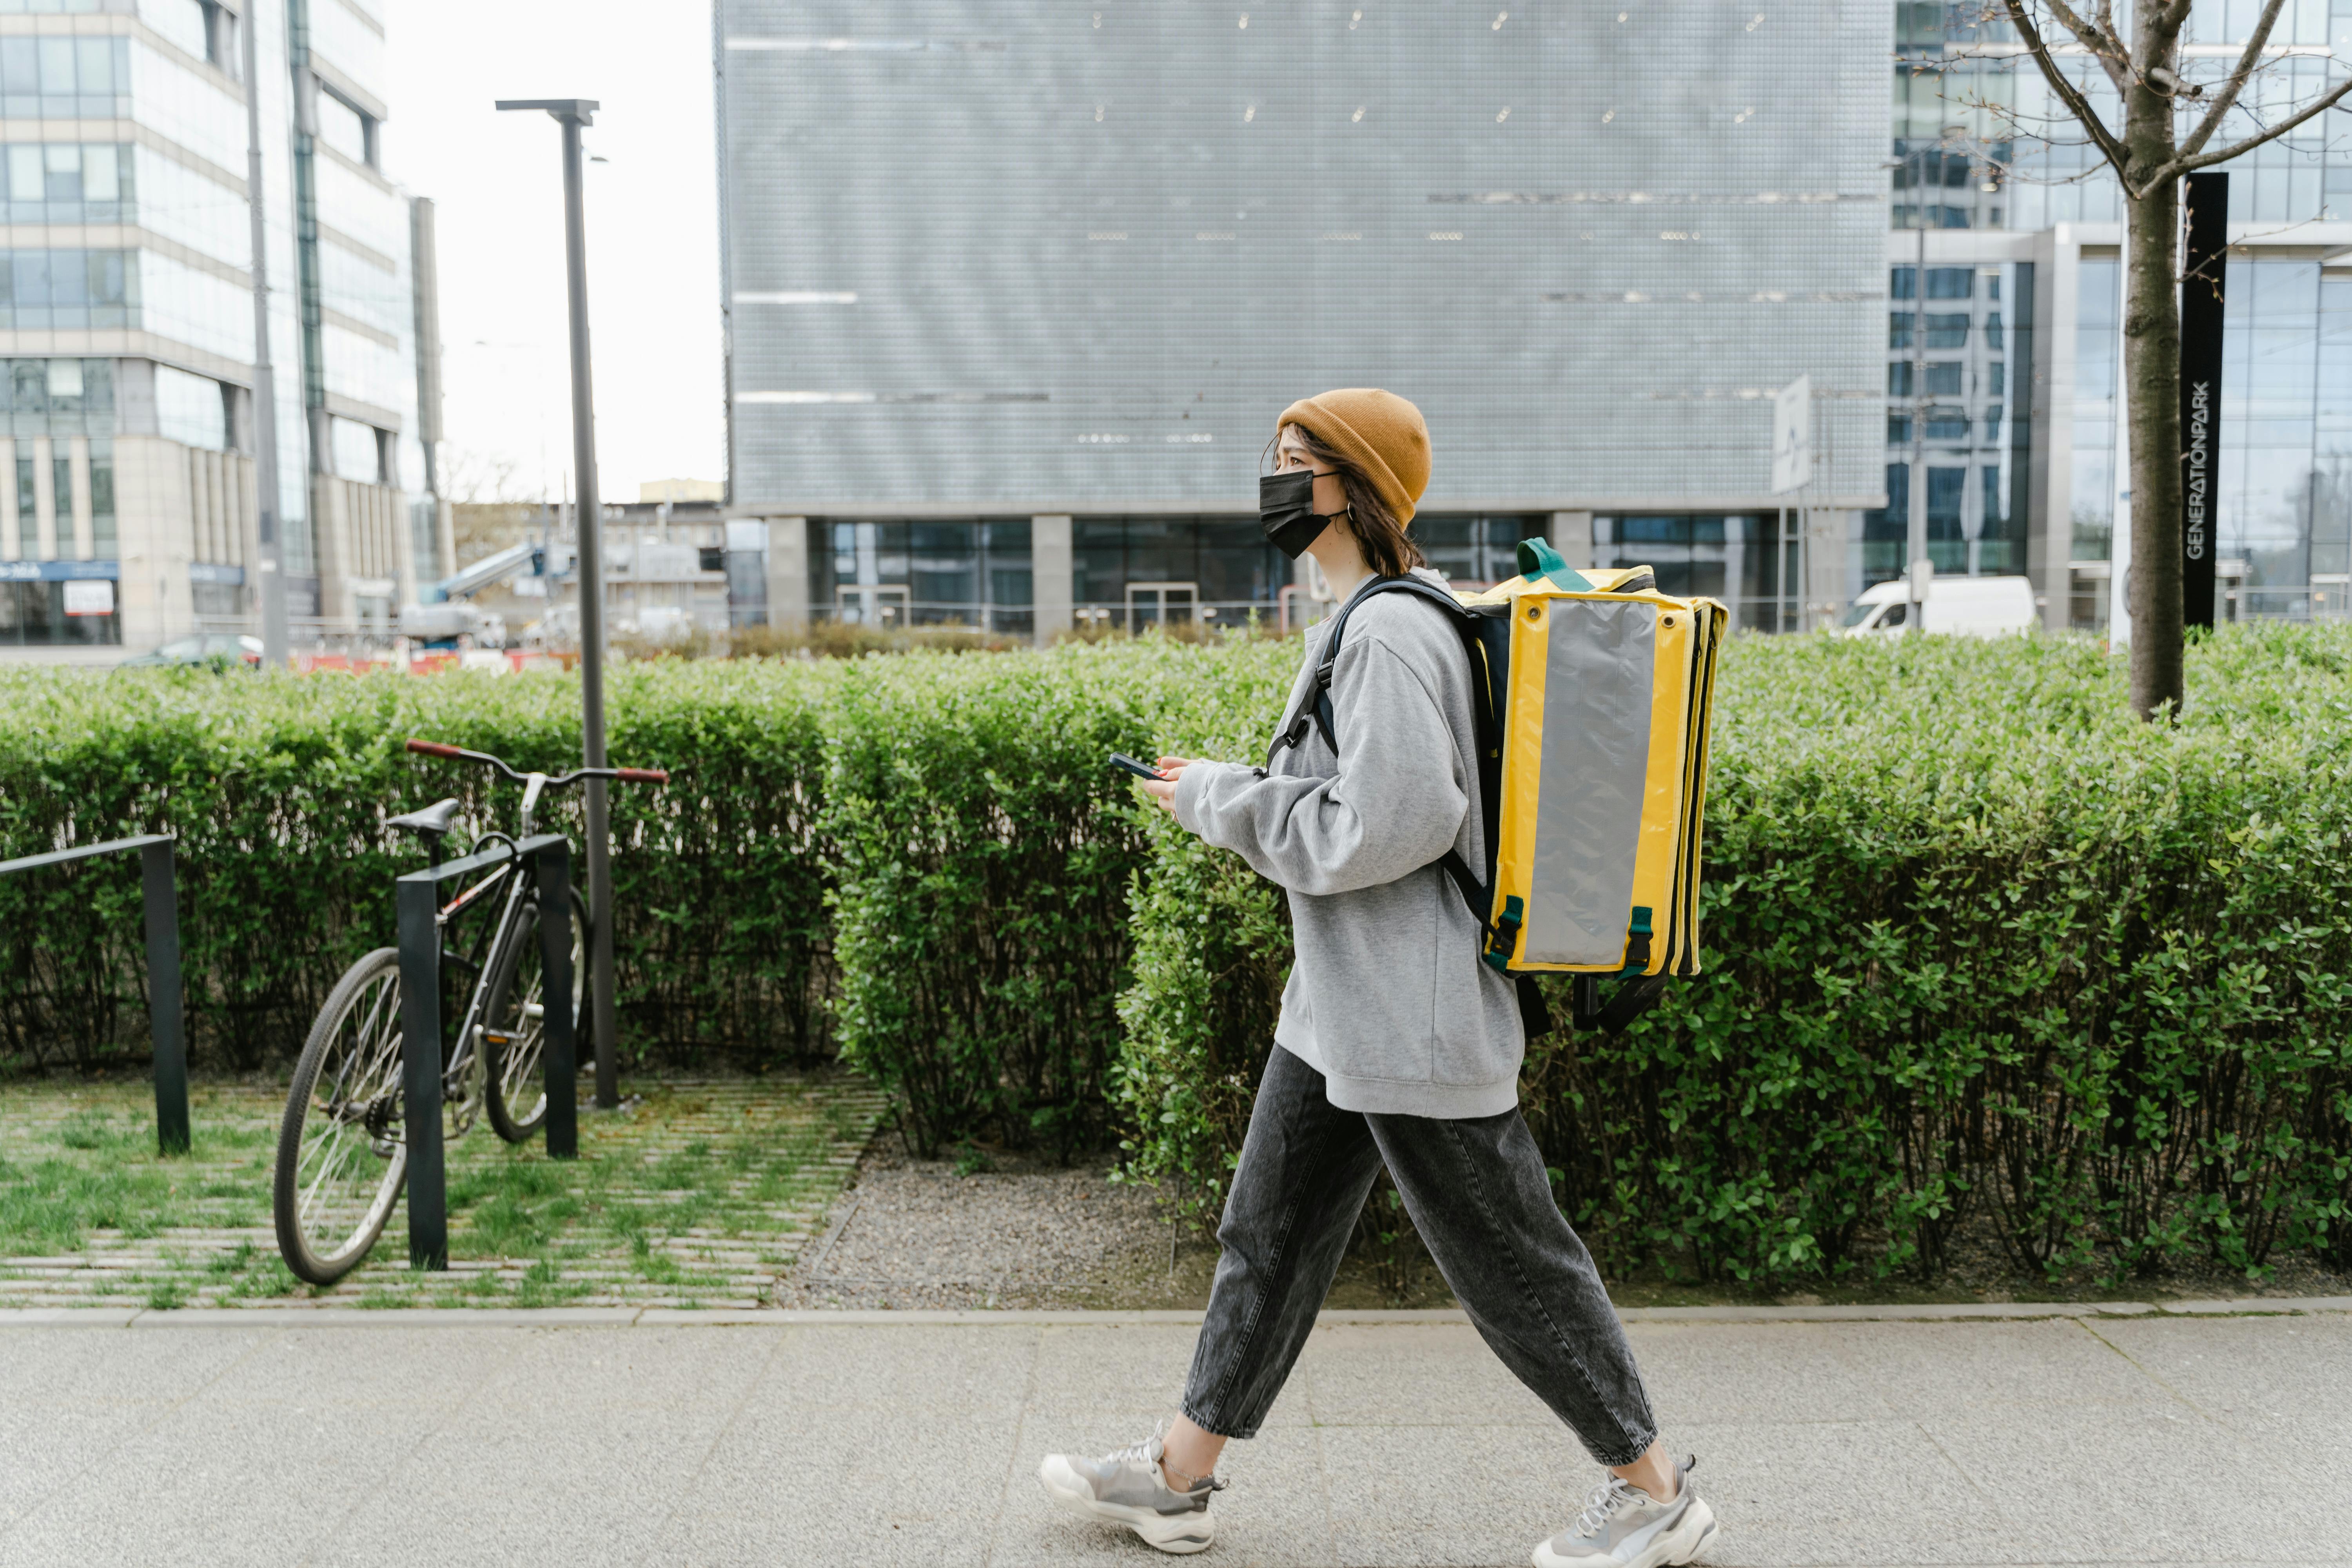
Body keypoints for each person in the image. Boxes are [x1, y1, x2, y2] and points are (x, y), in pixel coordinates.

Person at [1036, 390, 1717, 1568]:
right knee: (1271, 1233)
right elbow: (1357, 797)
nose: (1277, 479)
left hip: (1414, 1014)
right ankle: (1178, 1479)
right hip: (1343, 1009)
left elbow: (1398, 819)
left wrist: (1220, 803)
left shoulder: (1391, 629)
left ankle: (1653, 1490)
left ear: (1357, 484)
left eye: (1298, 461)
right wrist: (1238, 784)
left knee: (1511, 1263)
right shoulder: (1366, 616)